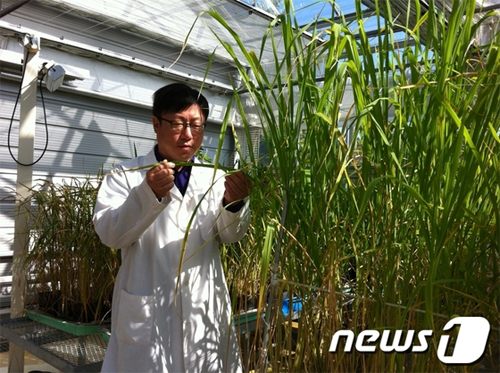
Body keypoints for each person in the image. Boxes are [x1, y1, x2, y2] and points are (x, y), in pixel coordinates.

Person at [93, 83, 251, 372]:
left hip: (204, 305)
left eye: (196, 125)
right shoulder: (126, 175)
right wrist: (148, 194)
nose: (188, 134)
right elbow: (111, 235)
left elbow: (230, 235)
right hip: (148, 305)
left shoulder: (215, 178)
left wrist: (233, 204)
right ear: (156, 123)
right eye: (178, 123)